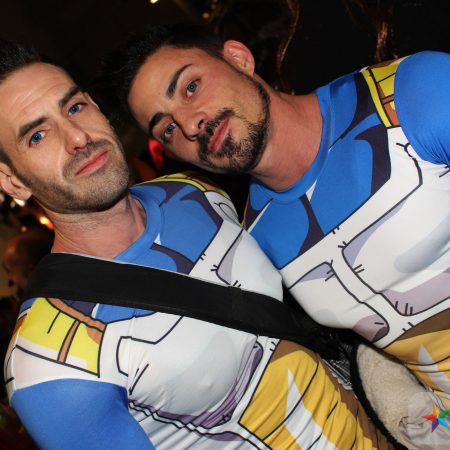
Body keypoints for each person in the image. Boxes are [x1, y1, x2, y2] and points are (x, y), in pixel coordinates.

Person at [0, 42, 395, 450]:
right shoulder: (46, 365)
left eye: (75, 107)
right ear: (12, 180)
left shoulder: (193, 190)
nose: (78, 137)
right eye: (37, 136)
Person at [100, 23, 450, 448]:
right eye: (167, 130)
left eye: (191, 87)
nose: (191, 124)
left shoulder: (411, 95)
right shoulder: (255, 238)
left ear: (238, 58)